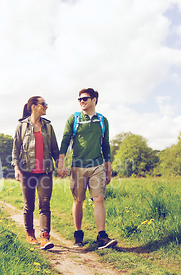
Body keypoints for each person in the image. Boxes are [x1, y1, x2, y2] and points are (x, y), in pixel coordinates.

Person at [57, 88, 117, 249]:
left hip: (98, 165)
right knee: (78, 200)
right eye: (80, 99)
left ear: (94, 100)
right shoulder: (74, 118)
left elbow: (106, 145)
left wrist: (108, 169)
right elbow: (65, 141)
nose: (82, 101)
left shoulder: (103, 121)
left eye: (85, 98)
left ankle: (102, 236)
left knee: (99, 199)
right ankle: (78, 235)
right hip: (78, 166)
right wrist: (61, 163)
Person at [11, 96, 60, 250]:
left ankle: (45, 237)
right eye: (43, 104)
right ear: (33, 106)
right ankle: (30, 234)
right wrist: (16, 168)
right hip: (27, 170)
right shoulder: (22, 126)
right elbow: (15, 149)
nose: (46, 106)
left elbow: (55, 149)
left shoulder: (48, 126)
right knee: (29, 205)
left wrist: (60, 165)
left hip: (45, 171)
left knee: (45, 204)